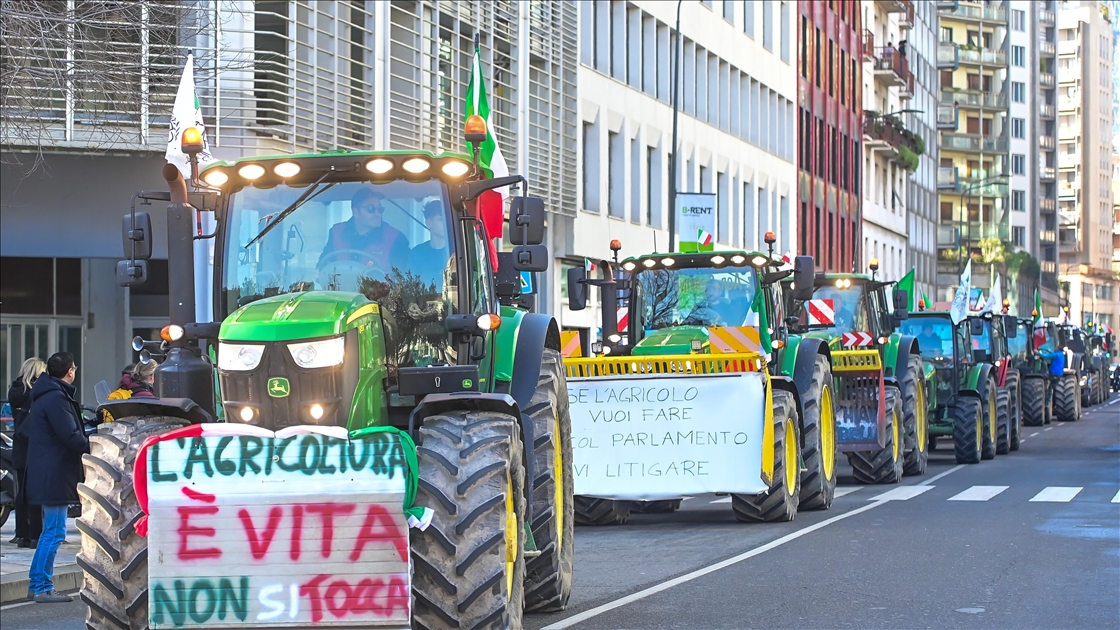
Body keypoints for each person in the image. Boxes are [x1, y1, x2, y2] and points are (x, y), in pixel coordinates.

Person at [24, 352, 89, 603]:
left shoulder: (47, 394)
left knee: (49, 531)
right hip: (54, 474)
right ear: (70, 371)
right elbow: (71, 437)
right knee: (54, 532)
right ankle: (43, 587)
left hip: (48, 472)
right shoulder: (56, 399)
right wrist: (93, 444)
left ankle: (36, 581)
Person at [317, 188, 410, 274]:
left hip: (381, 291)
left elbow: (404, 278)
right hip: (340, 291)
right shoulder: (336, 233)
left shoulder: (396, 238)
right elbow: (322, 268)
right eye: (371, 209)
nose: (377, 214)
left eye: (380, 209)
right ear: (356, 212)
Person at [7, 358, 46, 549]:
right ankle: (36, 535)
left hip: (20, 446)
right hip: (35, 446)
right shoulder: (37, 393)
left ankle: (21, 534)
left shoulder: (15, 392)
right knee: (36, 492)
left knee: (21, 492)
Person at [409, 200, 451, 288]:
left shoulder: (457, 252)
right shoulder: (416, 254)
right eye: (440, 220)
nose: (446, 223)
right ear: (428, 223)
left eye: (447, 219)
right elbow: (409, 287)